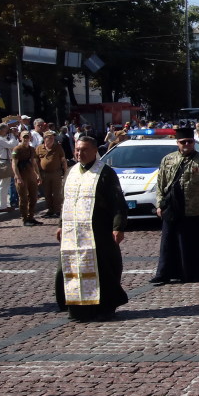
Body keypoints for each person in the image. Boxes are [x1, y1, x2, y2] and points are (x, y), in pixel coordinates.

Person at [55, 135, 129, 321]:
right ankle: (78, 310)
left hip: (98, 231)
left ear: (95, 151)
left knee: (102, 269)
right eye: (77, 150)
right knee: (70, 269)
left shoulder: (105, 173)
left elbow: (117, 202)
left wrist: (118, 227)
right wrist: (61, 225)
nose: (80, 153)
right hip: (72, 233)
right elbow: (65, 202)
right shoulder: (71, 172)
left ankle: (104, 307)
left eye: (84, 150)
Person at [152, 127, 199, 285]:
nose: (187, 144)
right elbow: (160, 184)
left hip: (195, 207)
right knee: (169, 243)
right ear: (177, 143)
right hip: (172, 208)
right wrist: (160, 204)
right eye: (183, 142)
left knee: (196, 243)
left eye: (189, 141)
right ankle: (165, 272)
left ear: (193, 142)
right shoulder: (168, 160)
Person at [11, 129, 41, 225]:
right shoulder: (17, 149)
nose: (26, 139)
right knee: (23, 198)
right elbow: (14, 164)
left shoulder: (32, 149)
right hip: (21, 175)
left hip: (31, 175)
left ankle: (31, 216)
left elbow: (34, 163)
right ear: (20, 138)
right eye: (24, 137)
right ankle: (25, 218)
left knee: (34, 197)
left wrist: (38, 175)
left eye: (27, 137)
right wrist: (18, 177)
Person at [37, 130, 67, 219]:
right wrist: (37, 174)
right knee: (47, 193)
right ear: (44, 139)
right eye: (49, 138)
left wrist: (65, 173)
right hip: (44, 174)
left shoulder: (58, 147)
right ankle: (50, 210)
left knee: (56, 193)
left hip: (56, 173)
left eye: (53, 138)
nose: (51, 139)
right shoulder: (39, 148)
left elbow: (63, 160)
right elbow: (35, 162)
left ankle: (57, 210)